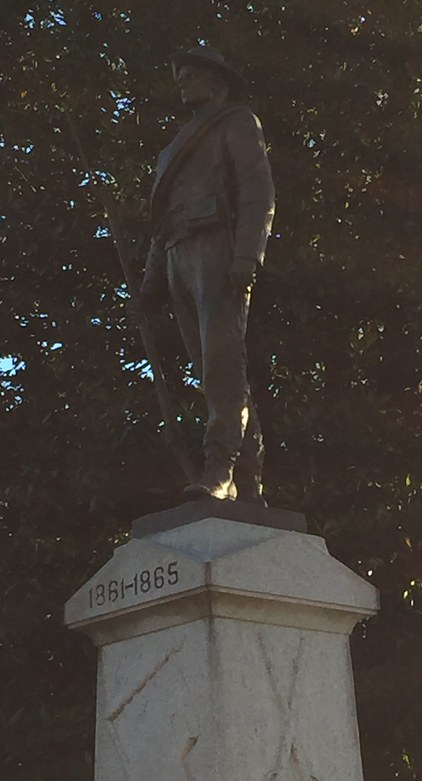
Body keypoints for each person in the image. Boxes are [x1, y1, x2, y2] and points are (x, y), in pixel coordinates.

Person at [134, 46, 275, 504]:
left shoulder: (236, 121)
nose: (183, 80)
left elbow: (257, 192)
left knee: (220, 366)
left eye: (192, 73)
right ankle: (249, 480)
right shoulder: (172, 148)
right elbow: (161, 219)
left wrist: (247, 257)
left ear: (218, 80)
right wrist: (151, 278)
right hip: (178, 254)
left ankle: (220, 470)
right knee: (215, 372)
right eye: (180, 74)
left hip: (217, 248)